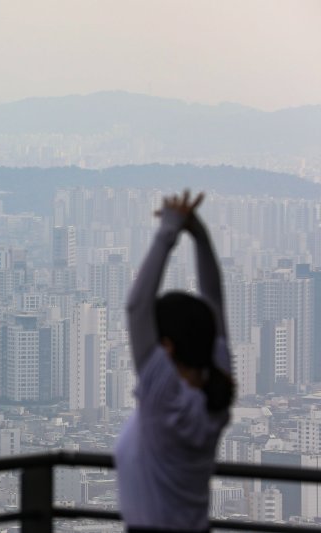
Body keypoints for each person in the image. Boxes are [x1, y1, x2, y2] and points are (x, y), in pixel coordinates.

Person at [114, 190, 235, 532]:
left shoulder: (166, 401)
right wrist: (197, 233)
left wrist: (169, 231)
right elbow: (214, 299)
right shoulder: (217, 395)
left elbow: (137, 306)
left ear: (166, 348)